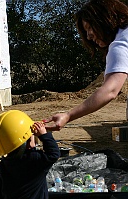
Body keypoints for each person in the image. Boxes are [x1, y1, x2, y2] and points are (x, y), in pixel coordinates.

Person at [44, 0, 128, 130]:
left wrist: (68, 115)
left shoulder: (120, 44)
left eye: (89, 27)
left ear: (104, 20)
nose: (88, 36)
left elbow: (110, 91)